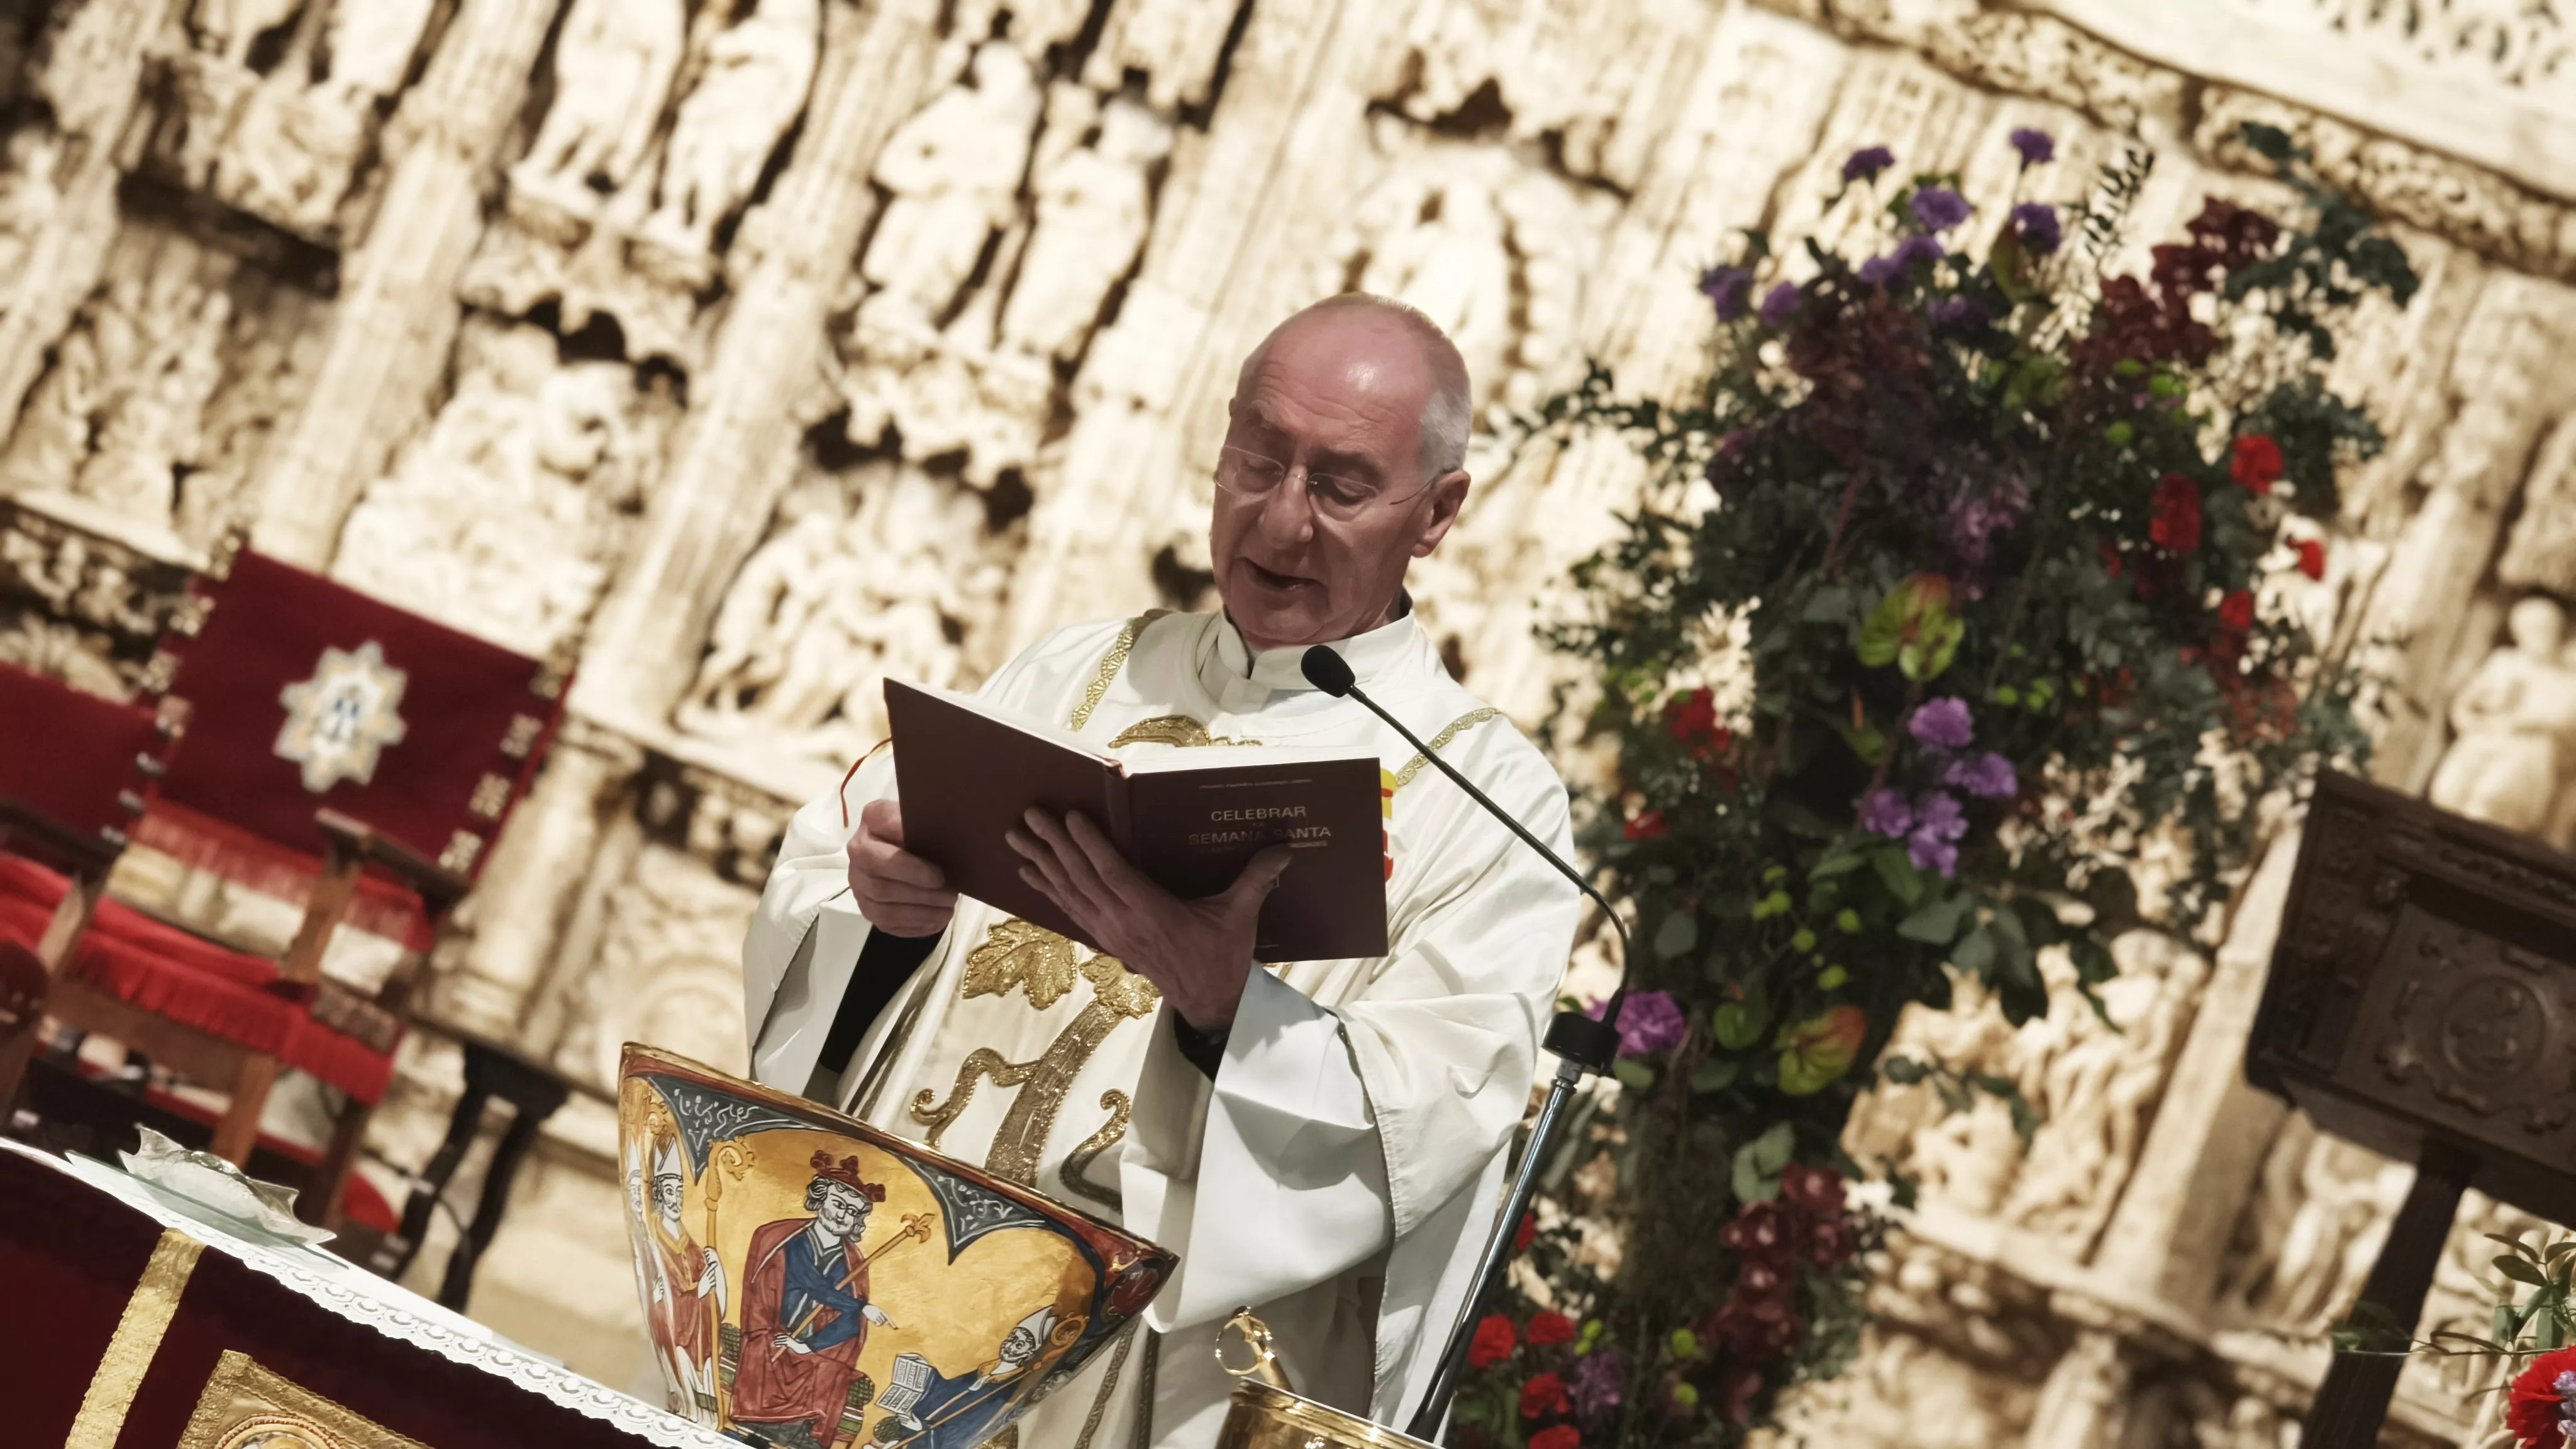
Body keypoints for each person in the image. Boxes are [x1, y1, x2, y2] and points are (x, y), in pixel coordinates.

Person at [741, 293, 1583, 1447]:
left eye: (1340, 486)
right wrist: (885, 910)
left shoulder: (1483, 793)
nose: (1280, 520)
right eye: (1257, 459)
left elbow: (1436, 1106)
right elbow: (831, 872)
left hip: (1144, 1373)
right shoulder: (1082, 666)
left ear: (1437, 514)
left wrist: (1224, 1010)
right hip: (880, 1284)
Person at [730, 1153, 901, 1449]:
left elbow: (850, 1325)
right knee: (770, 1355)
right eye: (837, 1203)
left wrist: (811, 1346)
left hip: (812, 1344)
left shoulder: (853, 1262)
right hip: (772, 1333)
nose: (841, 1214)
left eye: (851, 1211)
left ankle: (798, 1439)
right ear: (821, 1200)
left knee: (830, 1369)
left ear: (857, 1220)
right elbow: (810, 1281)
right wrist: (861, 1307)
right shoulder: (787, 1239)